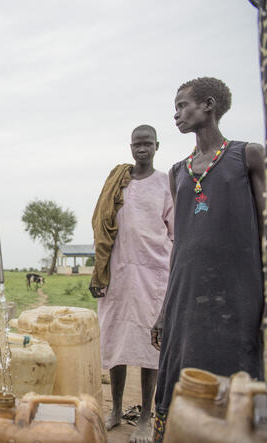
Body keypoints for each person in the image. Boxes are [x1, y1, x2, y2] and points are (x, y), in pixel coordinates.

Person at [151, 77, 265, 441]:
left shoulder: (248, 155)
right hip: (186, 293)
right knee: (182, 372)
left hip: (239, 291)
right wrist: (164, 307)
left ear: (209, 105)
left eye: (183, 105)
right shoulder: (178, 171)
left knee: (239, 372)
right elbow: (181, 242)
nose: (176, 114)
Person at [92, 125, 174, 443]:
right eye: (137, 144)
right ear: (130, 148)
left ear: (157, 146)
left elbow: (174, 231)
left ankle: (143, 419)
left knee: (149, 345)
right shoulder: (118, 182)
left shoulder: (166, 183)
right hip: (117, 272)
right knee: (116, 343)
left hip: (154, 275)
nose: (142, 149)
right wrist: (99, 272)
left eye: (148, 144)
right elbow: (101, 225)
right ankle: (114, 411)